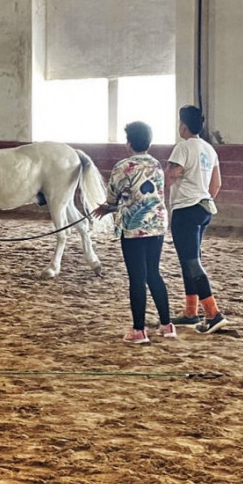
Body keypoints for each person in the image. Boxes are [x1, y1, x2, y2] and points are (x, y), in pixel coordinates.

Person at [93, 121, 175, 344]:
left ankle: (139, 330)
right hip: (157, 223)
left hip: (134, 226)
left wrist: (105, 208)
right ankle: (167, 325)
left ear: (129, 143)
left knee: (137, 278)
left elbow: (113, 198)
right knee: (153, 274)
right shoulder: (157, 164)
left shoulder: (124, 166)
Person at [166, 105, 228, 334]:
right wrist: (203, 197)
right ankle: (190, 312)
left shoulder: (182, 148)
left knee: (192, 262)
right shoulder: (210, 149)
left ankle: (213, 314)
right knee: (189, 259)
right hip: (204, 208)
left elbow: (171, 175)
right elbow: (216, 184)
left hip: (186, 210)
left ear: (183, 125)